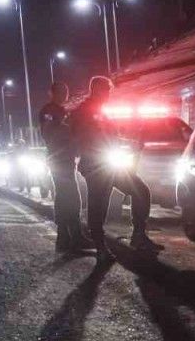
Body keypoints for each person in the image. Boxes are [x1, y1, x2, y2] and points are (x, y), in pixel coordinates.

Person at [70, 76, 162, 262]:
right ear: (96, 90)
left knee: (141, 191)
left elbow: (109, 137)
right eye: (106, 91)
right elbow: (79, 138)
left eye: (109, 91)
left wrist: (129, 143)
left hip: (110, 164)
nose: (108, 95)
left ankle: (138, 235)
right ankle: (100, 246)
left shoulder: (102, 112)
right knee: (99, 205)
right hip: (95, 166)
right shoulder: (83, 112)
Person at [37, 82, 93, 252]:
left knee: (67, 197)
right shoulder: (49, 111)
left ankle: (67, 237)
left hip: (65, 158)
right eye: (62, 92)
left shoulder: (62, 111)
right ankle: (70, 237)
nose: (65, 95)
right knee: (69, 197)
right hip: (58, 158)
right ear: (52, 93)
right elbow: (50, 132)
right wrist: (70, 131)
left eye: (66, 92)